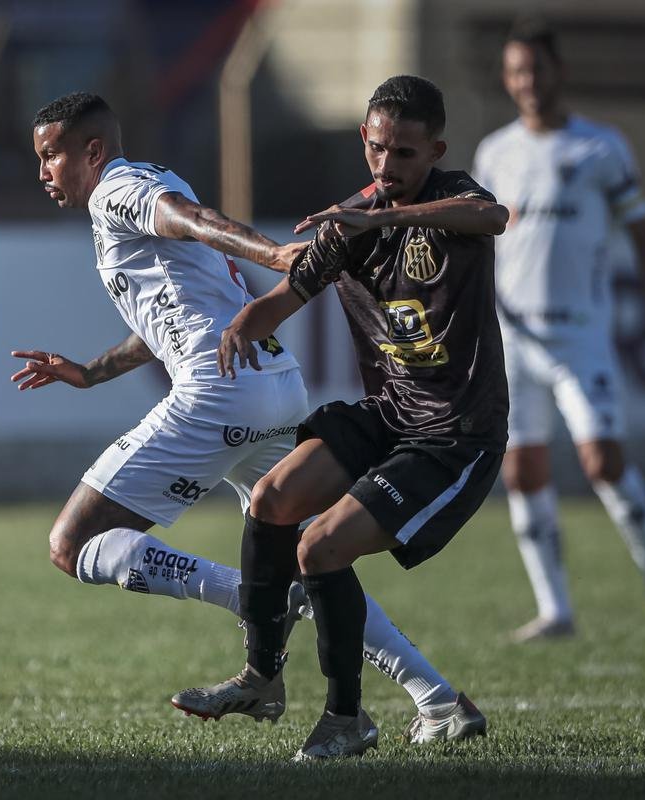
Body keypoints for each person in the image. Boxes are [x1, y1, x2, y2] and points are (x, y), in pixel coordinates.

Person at [14, 91, 483, 745]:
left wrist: (274, 255)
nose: (43, 171)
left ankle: (254, 597)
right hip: (271, 385)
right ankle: (437, 699)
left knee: (72, 545)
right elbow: (174, 312)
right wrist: (91, 372)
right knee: (314, 554)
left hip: (218, 391)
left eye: (50, 156)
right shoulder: (144, 184)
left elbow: (192, 219)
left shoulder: (116, 189)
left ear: (91, 151)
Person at [176, 76, 509, 760]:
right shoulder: (347, 223)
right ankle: (261, 677)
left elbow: (493, 216)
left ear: (436, 151)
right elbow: (281, 300)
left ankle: (345, 718)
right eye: (377, 148)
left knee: (320, 547)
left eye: (405, 154)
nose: (387, 165)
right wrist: (243, 323)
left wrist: (382, 220)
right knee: (271, 498)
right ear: (364, 138)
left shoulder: (451, 202)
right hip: (388, 413)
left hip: (454, 433)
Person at [473, 19, 645, 642]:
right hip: (514, 338)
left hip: (581, 336)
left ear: (559, 73)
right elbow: (481, 246)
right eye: (516, 71)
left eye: (536, 69)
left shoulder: (601, 148)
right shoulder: (495, 152)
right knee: (522, 471)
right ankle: (555, 609)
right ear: (507, 79)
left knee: (602, 461)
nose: (527, 81)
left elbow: (643, 240)